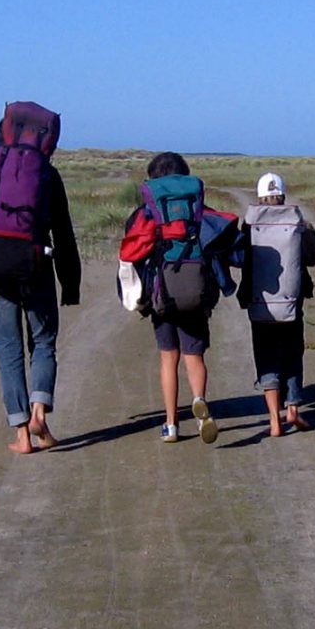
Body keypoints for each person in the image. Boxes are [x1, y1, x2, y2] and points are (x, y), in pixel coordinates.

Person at [0, 105, 80, 454]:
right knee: (43, 342)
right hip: (36, 266)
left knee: (8, 349)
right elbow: (64, 232)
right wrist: (69, 282)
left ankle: (23, 435)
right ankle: (40, 412)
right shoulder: (46, 175)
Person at [122, 151, 234, 443]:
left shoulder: (147, 212)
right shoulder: (197, 210)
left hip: (163, 295)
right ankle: (199, 402)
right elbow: (222, 240)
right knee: (194, 356)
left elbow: (130, 252)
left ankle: (171, 424)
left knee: (167, 357)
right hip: (196, 293)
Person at [235, 170, 315, 436]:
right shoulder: (301, 224)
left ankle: (274, 420)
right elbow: (313, 258)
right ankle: (293, 409)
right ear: (283, 195)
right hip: (292, 301)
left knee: (266, 356)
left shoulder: (248, 225)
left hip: (259, 301)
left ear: (259, 198)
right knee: (293, 353)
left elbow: (239, 259)